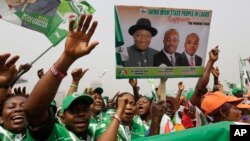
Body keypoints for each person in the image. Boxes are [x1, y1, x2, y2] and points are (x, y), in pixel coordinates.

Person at [23, 14, 99, 140]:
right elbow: (33, 112)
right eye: (73, 111)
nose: (81, 114)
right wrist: (67, 58)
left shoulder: (96, 133)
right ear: (62, 117)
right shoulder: (55, 134)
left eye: (85, 110)